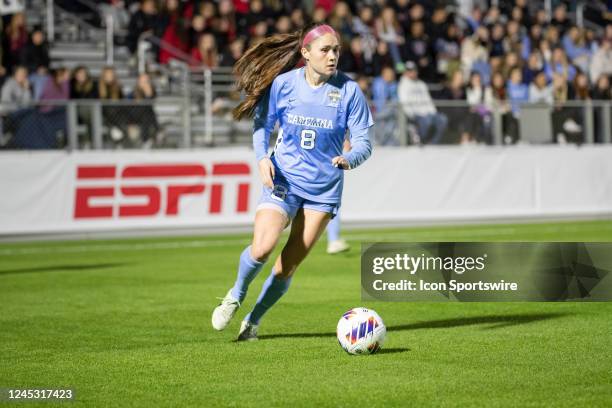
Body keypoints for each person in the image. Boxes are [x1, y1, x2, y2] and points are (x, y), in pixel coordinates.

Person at [211, 23, 373, 341]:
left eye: (336, 50)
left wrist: (349, 158)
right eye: (325, 49)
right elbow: (262, 125)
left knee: (287, 267)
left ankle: (253, 321)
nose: (332, 56)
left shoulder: (349, 90)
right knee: (262, 247)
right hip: (285, 178)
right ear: (305, 53)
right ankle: (235, 295)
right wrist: (262, 158)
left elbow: (365, 142)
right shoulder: (284, 85)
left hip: (323, 191)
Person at [398, 61, 447, 144]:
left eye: (413, 70)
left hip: (427, 113)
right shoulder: (403, 84)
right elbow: (404, 102)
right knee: (427, 121)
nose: (412, 72)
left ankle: (433, 143)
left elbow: (428, 100)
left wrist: (433, 112)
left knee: (443, 119)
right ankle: (421, 141)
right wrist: (411, 116)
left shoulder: (421, 84)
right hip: (415, 115)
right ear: (406, 72)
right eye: (409, 70)